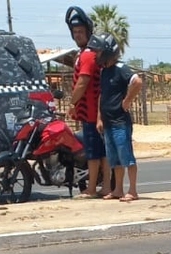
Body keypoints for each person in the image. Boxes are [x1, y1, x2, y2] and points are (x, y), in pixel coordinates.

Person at [65, 8, 107, 198]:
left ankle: (92, 189)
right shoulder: (82, 54)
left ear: (88, 32)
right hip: (88, 113)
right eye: (75, 32)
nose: (77, 35)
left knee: (94, 153)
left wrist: (72, 103)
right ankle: (104, 186)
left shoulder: (88, 55)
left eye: (80, 32)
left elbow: (83, 81)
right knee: (99, 152)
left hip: (92, 113)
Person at [96, 34, 143, 201]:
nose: (97, 54)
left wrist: (127, 100)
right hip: (108, 123)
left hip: (120, 122)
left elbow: (137, 82)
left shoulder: (121, 69)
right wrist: (99, 118)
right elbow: (102, 95)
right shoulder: (104, 72)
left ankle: (133, 190)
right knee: (113, 158)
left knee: (126, 156)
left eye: (100, 51)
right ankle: (118, 190)